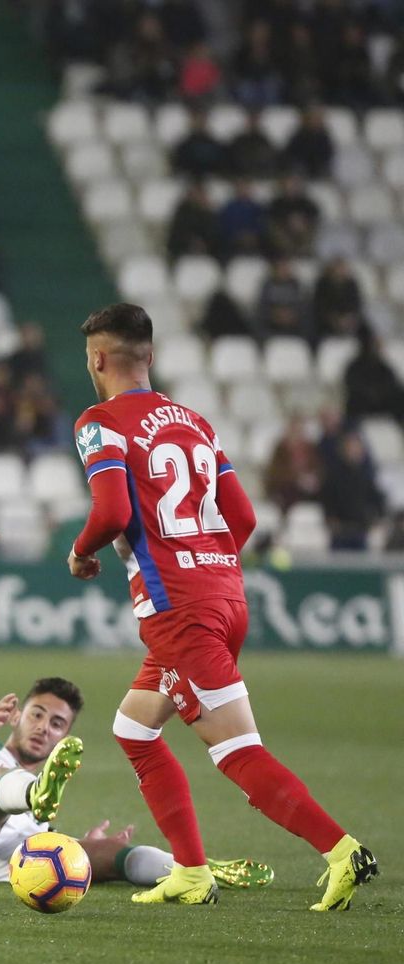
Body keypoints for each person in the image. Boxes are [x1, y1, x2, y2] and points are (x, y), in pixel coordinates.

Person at [69, 302, 376, 909]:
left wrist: (81, 554)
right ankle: (189, 870)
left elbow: (112, 514)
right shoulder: (195, 421)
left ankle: (342, 851)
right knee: (134, 728)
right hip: (224, 595)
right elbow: (243, 517)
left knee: (237, 751)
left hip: (178, 613)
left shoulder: (98, 422)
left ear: (97, 360)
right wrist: (207, 569)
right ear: (150, 356)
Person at [0, 677, 272, 890]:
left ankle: (192, 866)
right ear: (16, 716)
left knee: (93, 856)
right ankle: (32, 793)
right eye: (37, 714)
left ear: (65, 735)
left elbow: (31, 840)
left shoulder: (39, 815)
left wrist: (79, 844)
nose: (44, 727)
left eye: (57, 723)